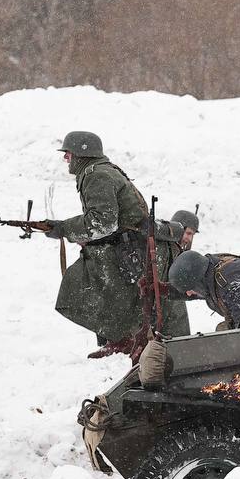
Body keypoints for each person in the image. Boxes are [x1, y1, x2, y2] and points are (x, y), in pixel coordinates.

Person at [44, 131, 150, 357]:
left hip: (126, 248)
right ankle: (119, 338)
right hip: (126, 244)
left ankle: (122, 339)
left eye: (68, 154)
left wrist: (63, 228)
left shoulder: (96, 175)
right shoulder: (100, 171)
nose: (66, 159)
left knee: (78, 287)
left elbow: (103, 223)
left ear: (82, 154)